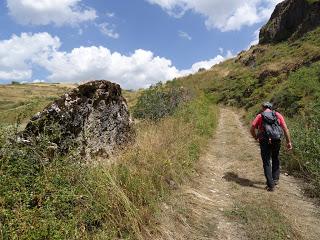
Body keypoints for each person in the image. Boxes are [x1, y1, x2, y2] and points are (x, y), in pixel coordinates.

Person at [250, 102, 293, 191]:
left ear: (263, 107)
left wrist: (255, 137)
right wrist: (289, 142)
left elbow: (252, 128)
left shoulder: (260, 116)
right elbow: (285, 128)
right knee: (275, 158)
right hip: (276, 139)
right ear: (271, 107)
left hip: (264, 140)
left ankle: (270, 185)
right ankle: (275, 179)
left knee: (266, 161)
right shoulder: (277, 114)